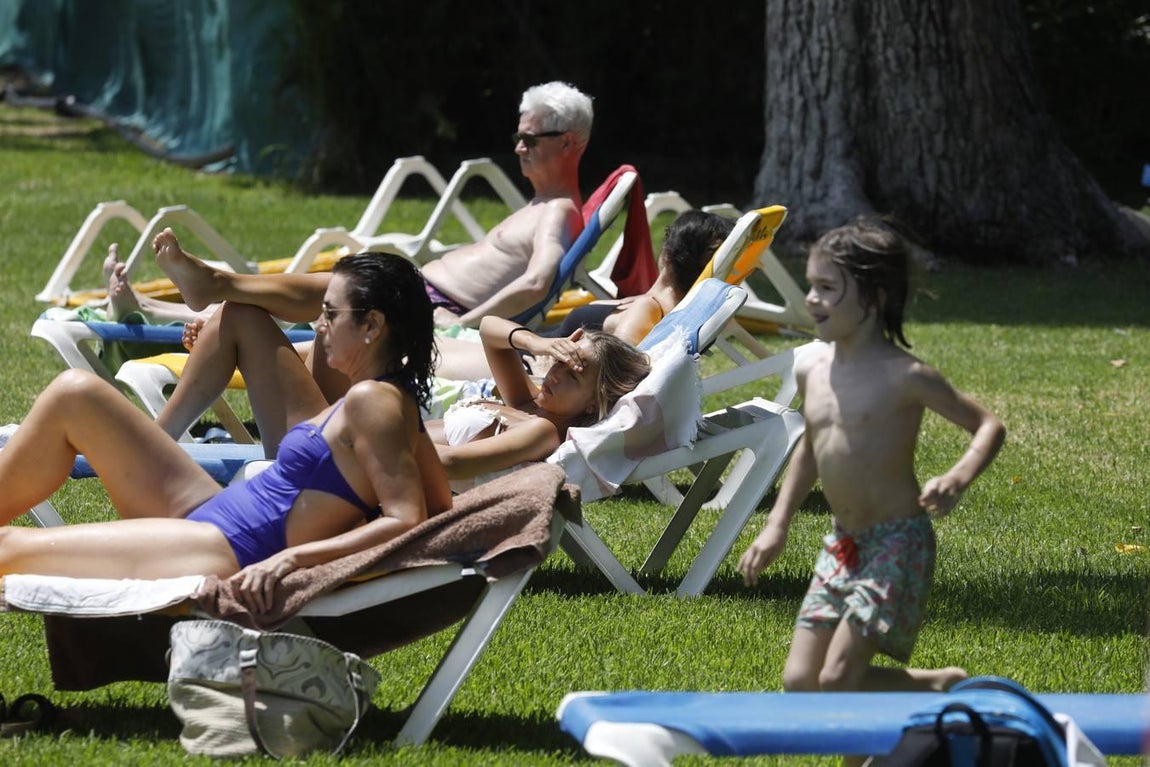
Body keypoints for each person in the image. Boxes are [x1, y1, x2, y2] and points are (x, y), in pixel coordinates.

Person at [0, 252, 451, 615]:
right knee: (75, 393)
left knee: (8, 550)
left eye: (331, 314)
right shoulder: (391, 401)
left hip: (223, 549)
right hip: (211, 514)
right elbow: (441, 507)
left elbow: (407, 519)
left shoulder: (374, 402)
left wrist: (295, 559)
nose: (319, 325)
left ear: (372, 325)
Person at [736, 218, 1006, 695]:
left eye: (826, 287)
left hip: (896, 543)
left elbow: (988, 426)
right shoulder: (813, 369)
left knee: (839, 679)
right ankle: (933, 686)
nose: (811, 299)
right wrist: (778, 523)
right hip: (844, 544)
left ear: (873, 297)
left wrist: (958, 477)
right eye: (811, 286)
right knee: (801, 681)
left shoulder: (905, 376)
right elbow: (812, 446)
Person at [106, 80, 593, 331]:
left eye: (530, 138)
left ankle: (210, 284)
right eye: (518, 136)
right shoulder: (541, 204)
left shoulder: (559, 212)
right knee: (300, 303)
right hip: (422, 294)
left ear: (569, 143)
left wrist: (463, 327)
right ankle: (150, 308)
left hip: (434, 309)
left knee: (317, 295)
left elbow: (538, 281)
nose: (519, 147)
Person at [434, 209, 736, 381]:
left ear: (666, 256)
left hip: (528, 368)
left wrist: (546, 373)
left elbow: (614, 379)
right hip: (527, 354)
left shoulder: (646, 309)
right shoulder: (673, 308)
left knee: (418, 349)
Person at [430, 315, 650, 487]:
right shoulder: (530, 404)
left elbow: (453, 464)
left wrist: (397, 444)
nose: (554, 375)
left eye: (573, 376)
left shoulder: (542, 431)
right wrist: (536, 343)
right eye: (559, 362)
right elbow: (488, 329)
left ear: (593, 403)